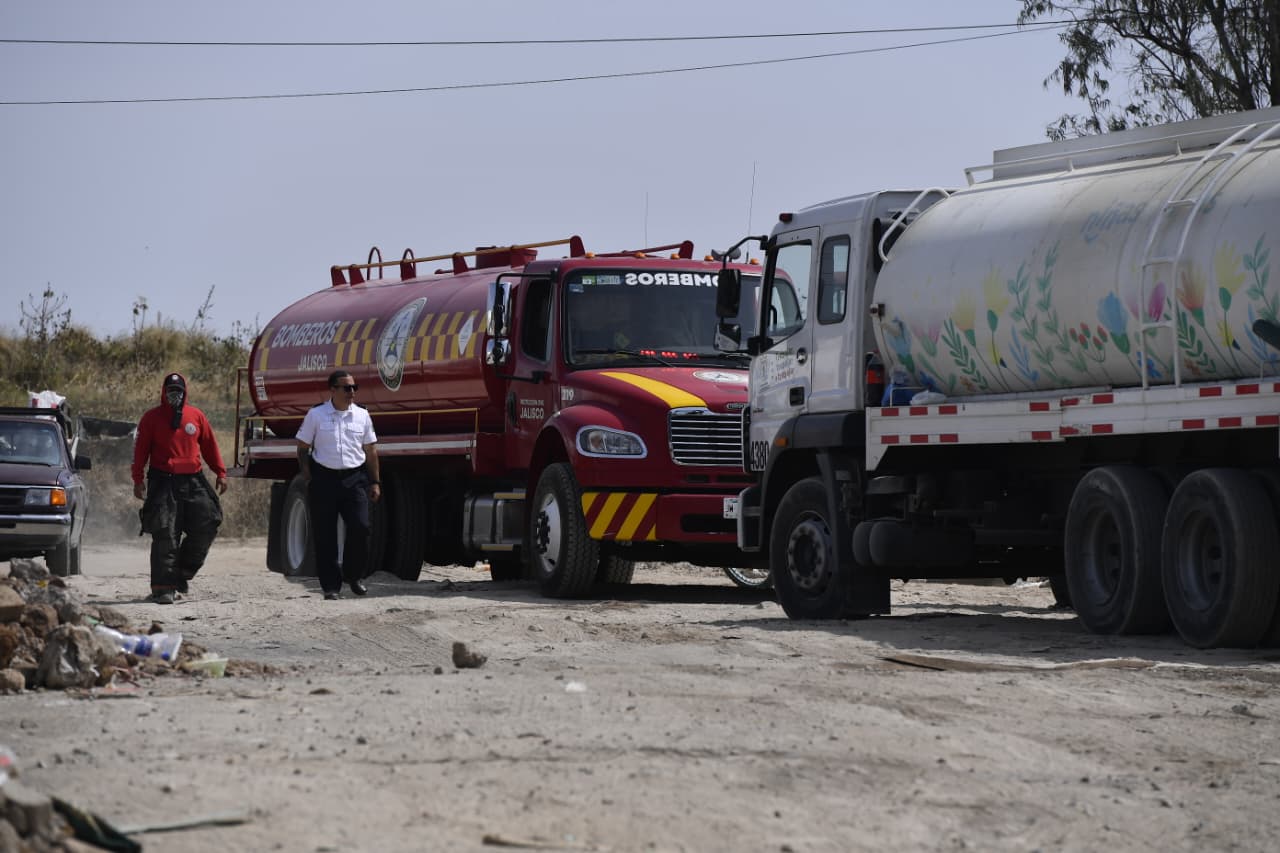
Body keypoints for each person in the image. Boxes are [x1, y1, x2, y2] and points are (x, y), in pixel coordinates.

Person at [132, 372, 228, 604]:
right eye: (170, 391)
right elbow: (141, 451)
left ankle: (183, 572)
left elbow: (209, 446)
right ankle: (163, 588)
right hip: (163, 481)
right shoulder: (151, 418)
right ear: (163, 393)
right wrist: (138, 479)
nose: (175, 395)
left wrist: (221, 472)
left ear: (185, 393)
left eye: (179, 391)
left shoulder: (196, 416)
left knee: (209, 520)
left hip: (193, 479)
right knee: (166, 533)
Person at [295, 370, 381, 600]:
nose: (351, 392)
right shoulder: (317, 414)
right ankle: (330, 587)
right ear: (332, 390)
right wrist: (308, 476)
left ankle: (354, 576)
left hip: (355, 479)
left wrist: (374, 481)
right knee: (325, 535)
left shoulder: (362, 415)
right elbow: (302, 447)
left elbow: (371, 450)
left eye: (354, 387)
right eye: (346, 388)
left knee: (361, 527)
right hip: (324, 479)